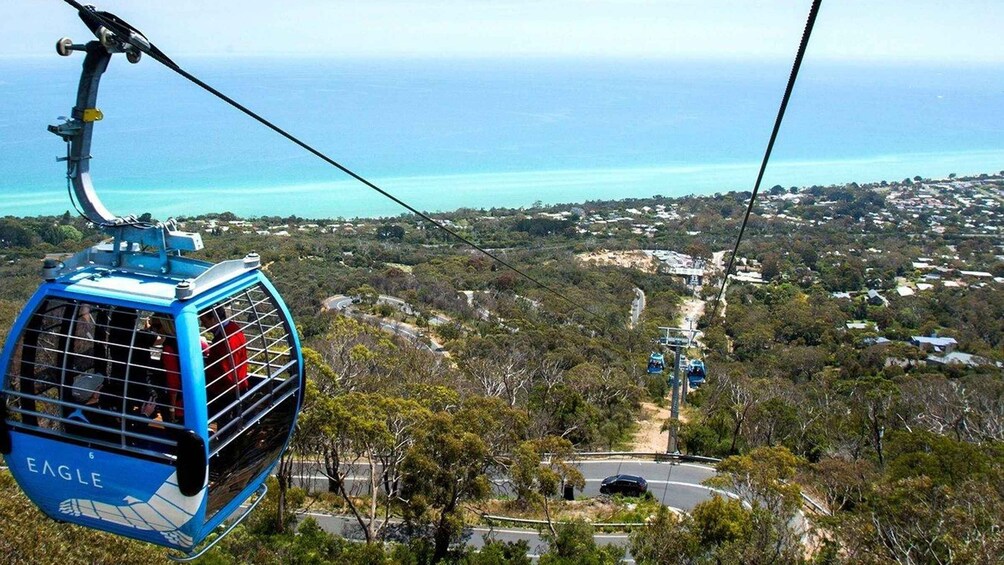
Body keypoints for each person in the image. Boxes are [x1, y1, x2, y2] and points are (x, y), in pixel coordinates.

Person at [200, 305, 248, 429]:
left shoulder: (224, 341)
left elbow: (227, 374)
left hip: (226, 391)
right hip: (239, 384)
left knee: (225, 424)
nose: (203, 324)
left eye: (204, 321)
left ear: (214, 319)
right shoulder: (233, 328)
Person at [149, 314, 183, 424]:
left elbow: (173, 381)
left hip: (175, 401)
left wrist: (171, 409)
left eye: (157, 326)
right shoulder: (182, 340)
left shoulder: (169, 348)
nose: (154, 330)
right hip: (186, 396)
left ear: (165, 326)